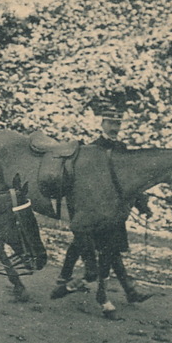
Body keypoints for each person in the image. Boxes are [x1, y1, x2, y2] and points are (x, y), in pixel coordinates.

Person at [52, 98, 152, 301]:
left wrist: (142, 205)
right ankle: (67, 278)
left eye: (118, 124)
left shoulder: (122, 149)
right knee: (96, 246)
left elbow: (131, 181)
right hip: (95, 208)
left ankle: (127, 291)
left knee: (109, 250)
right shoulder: (92, 149)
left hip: (114, 210)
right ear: (102, 124)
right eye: (111, 123)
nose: (114, 128)